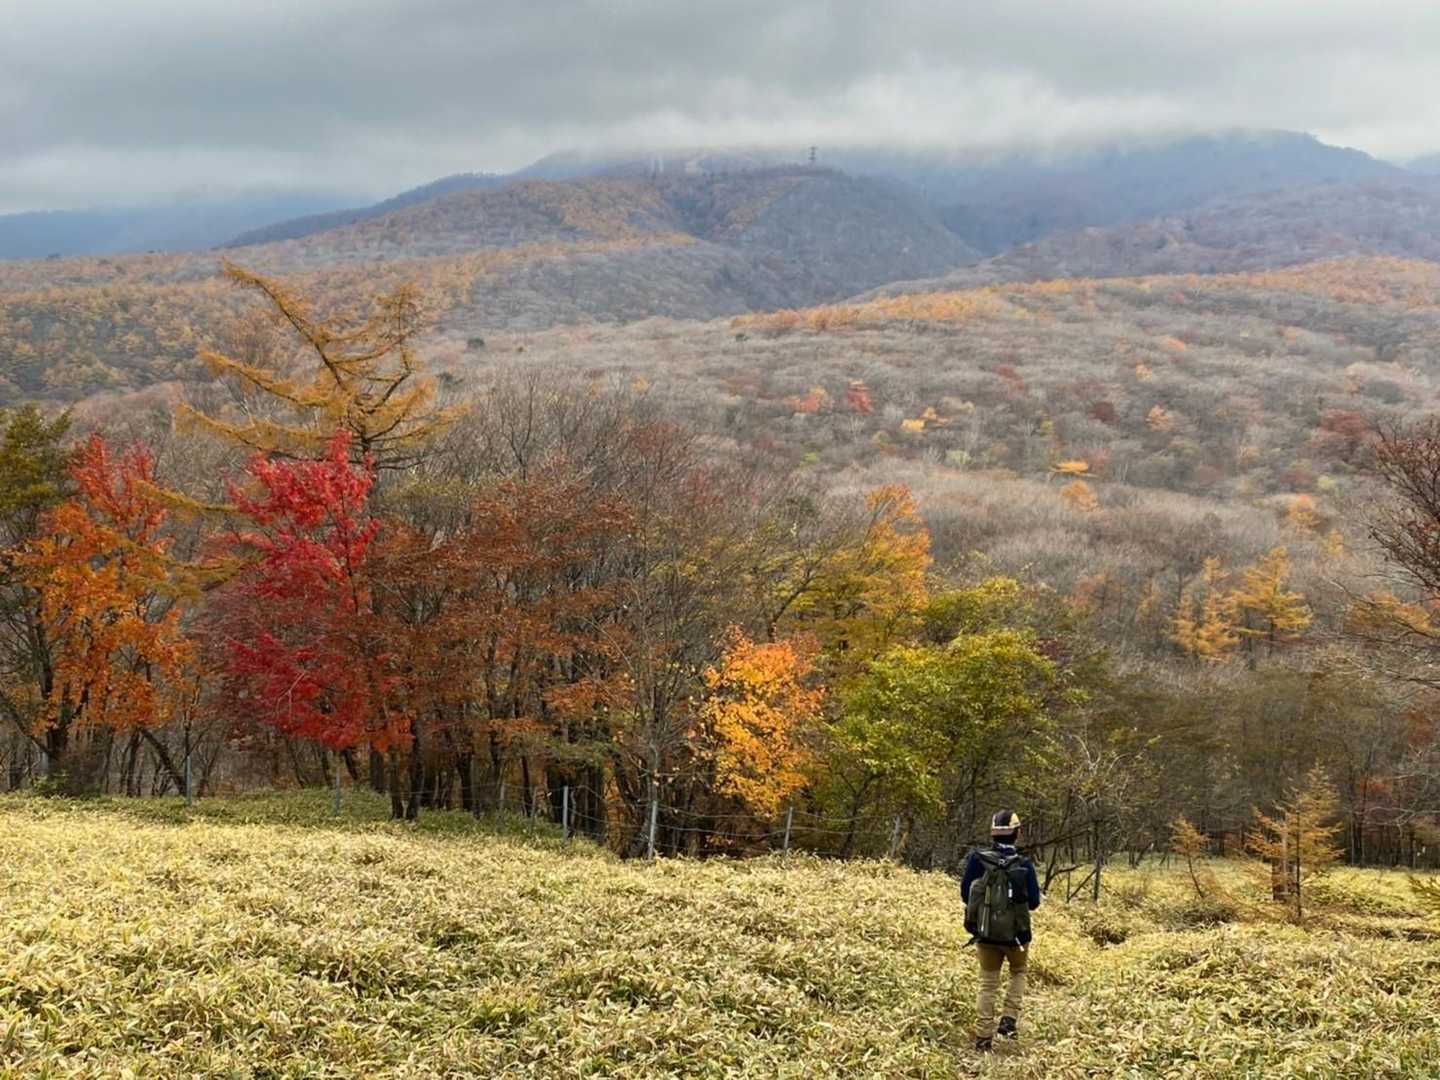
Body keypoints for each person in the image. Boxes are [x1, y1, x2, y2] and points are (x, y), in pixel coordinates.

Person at [960, 809, 1042, 1053]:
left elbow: (965, 894)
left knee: (987, 983)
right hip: (1018, 935)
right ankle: (1009, 1018)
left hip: (985, 932)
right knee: (1018, 972)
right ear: (1017, 833)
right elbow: (1034, 903)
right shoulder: (1024, 864)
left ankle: (983, 1038)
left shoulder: (977, 860)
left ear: (993, 833)